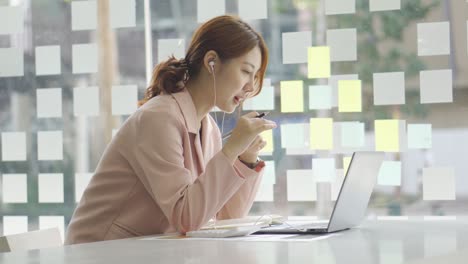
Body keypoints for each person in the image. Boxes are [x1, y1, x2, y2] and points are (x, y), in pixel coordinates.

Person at [65, 15, 276, 245]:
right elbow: (186, 217)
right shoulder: (158, 119)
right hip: (97, 253)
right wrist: (231, 149)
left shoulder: (209, 129)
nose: (251, 87)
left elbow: (222, 219)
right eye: (246, 71)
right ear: (211, 62)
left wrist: (244, 158)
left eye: (255, 77)